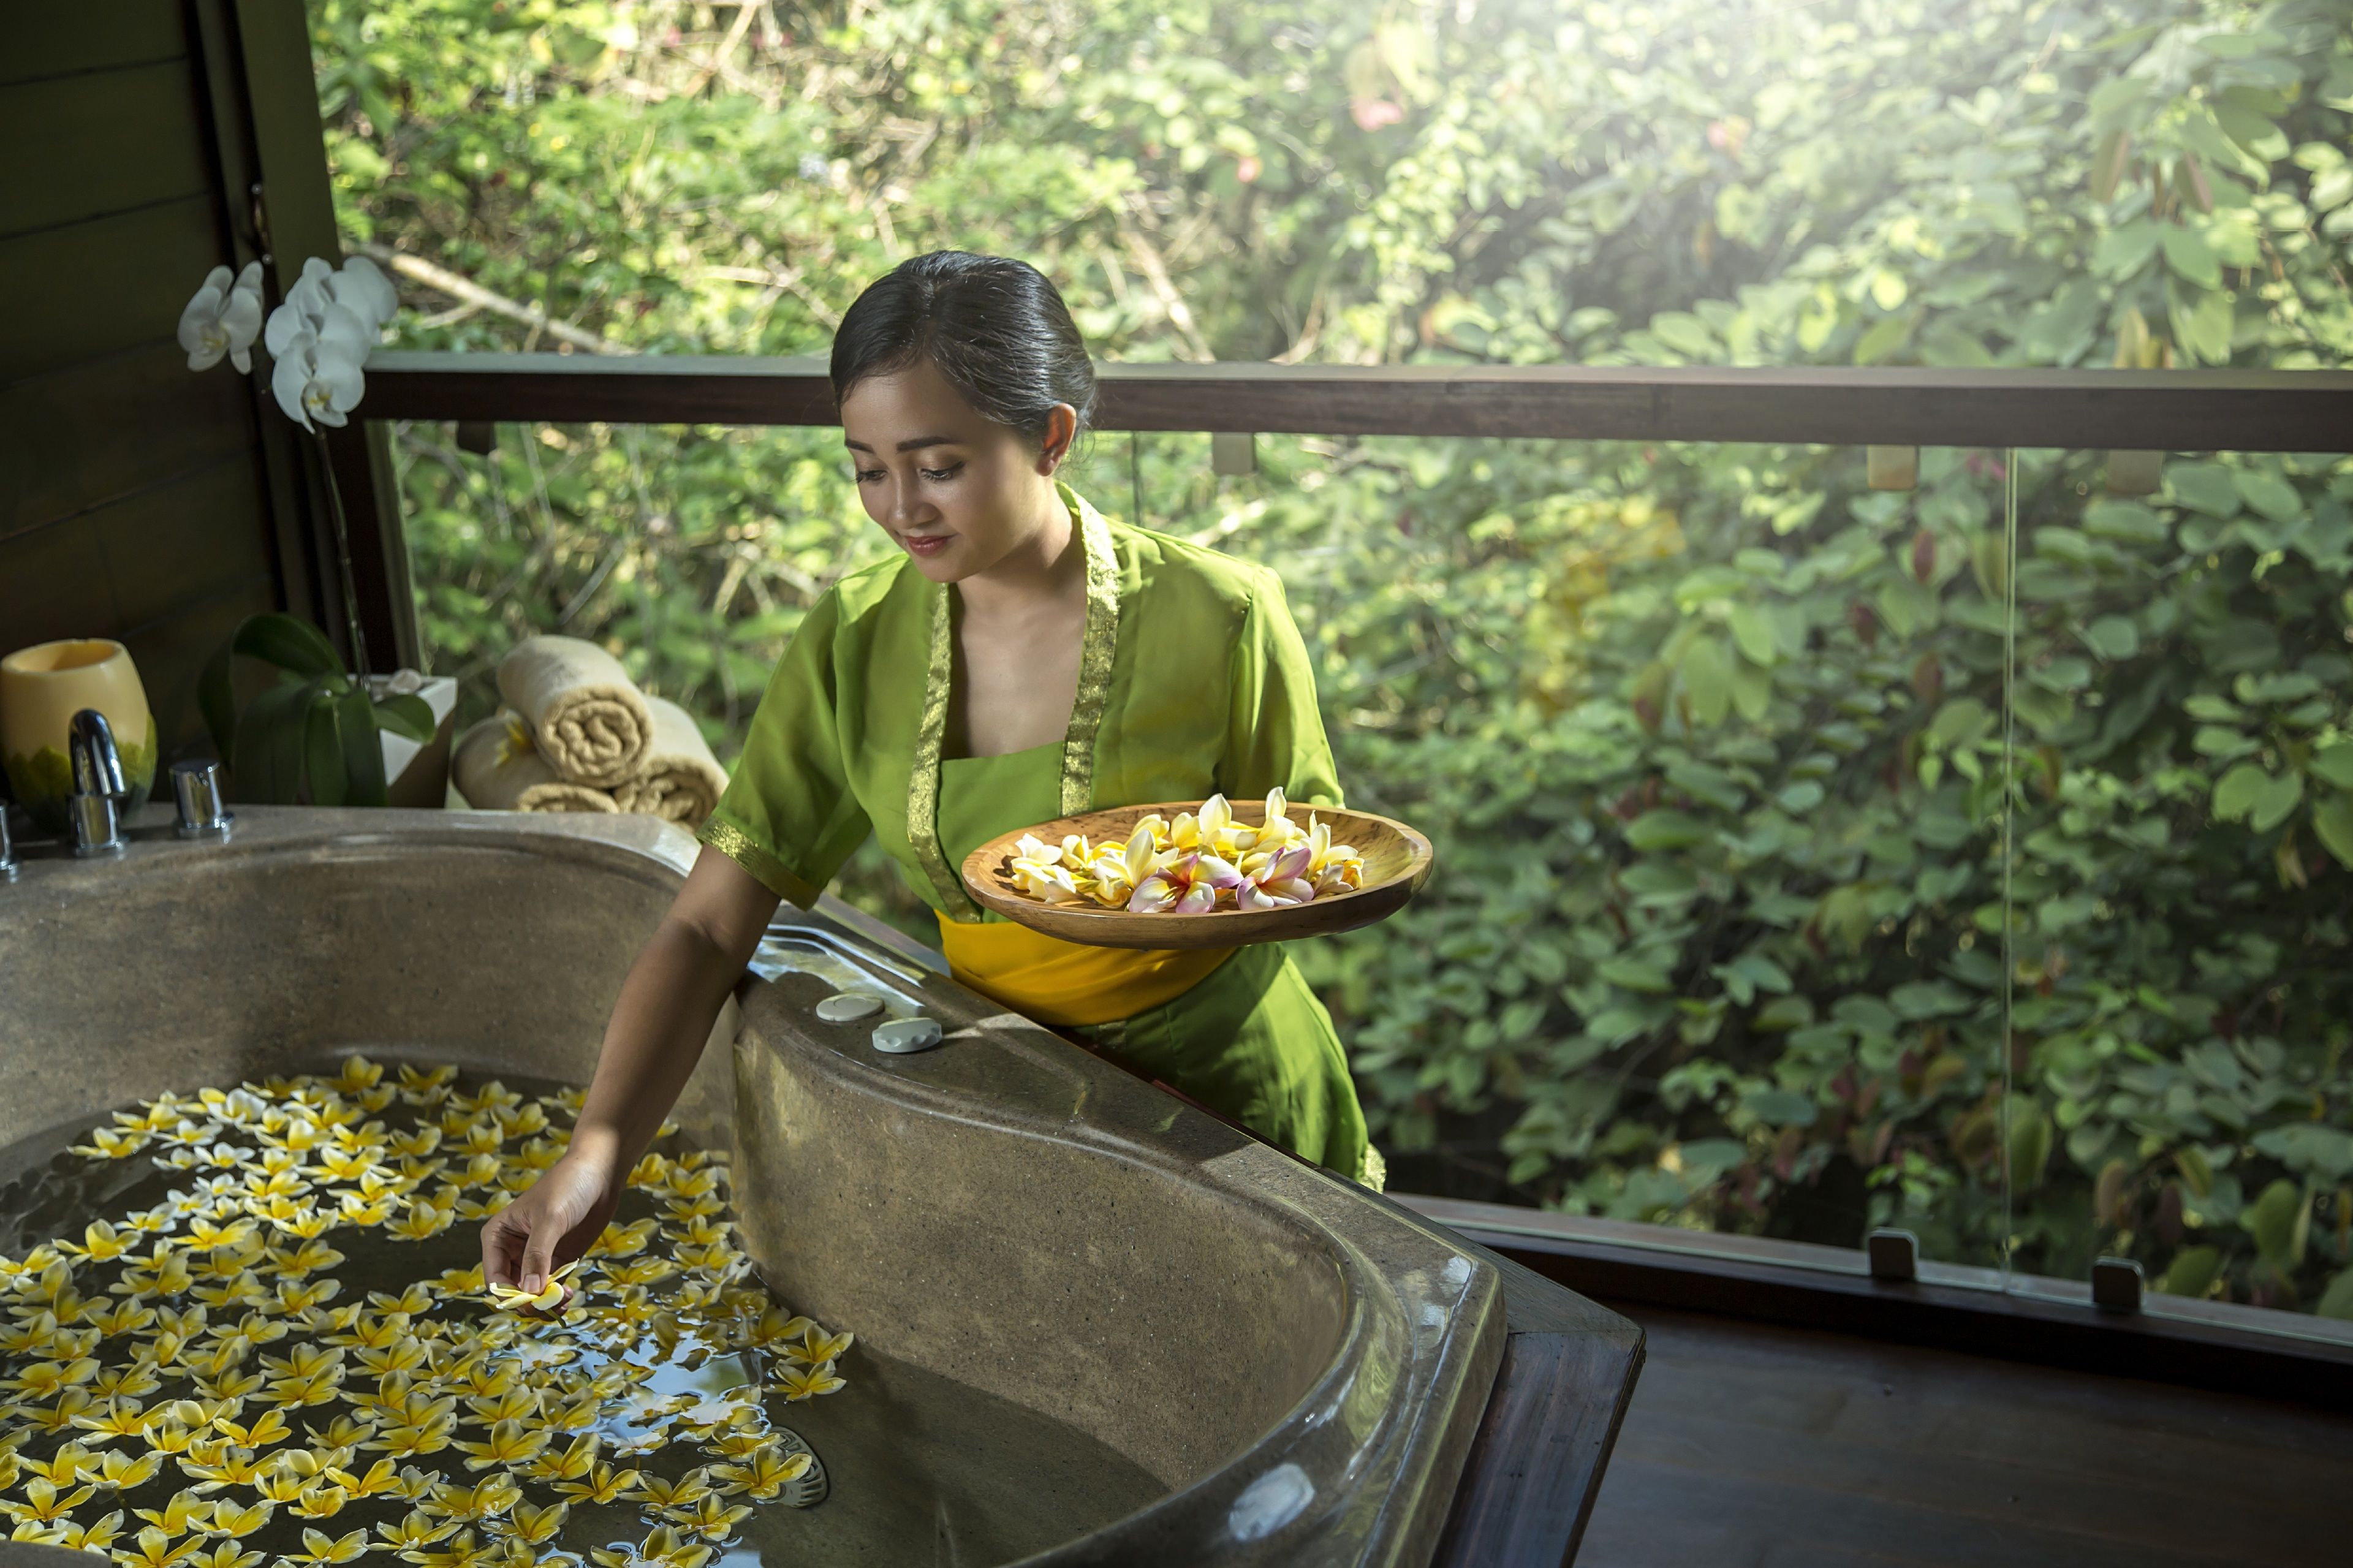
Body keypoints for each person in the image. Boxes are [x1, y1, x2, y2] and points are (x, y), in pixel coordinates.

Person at [481, 250, 1381, 1301]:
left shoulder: (1222, 614)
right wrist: (599, 1152)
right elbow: (708, 927)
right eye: (869, 468)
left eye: (938, 465)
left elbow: (1314, 869)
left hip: (1232, 1112)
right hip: (1009, 1110)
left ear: (1051, 436)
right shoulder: (855, 641)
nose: (900, 506)